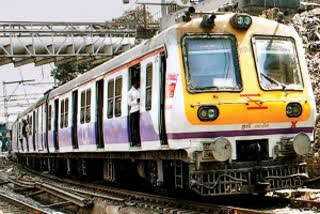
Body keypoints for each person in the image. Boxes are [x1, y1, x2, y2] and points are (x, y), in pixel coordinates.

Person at [128, 78, 141, 147]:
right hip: (134, 111)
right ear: (134, 83)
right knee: (134, 128)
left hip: (139, 110)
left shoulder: (139, 89)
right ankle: (135, 142)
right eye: (137, 82)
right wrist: (136, 101)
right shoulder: (130, 92)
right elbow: (129, 103)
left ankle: (139, 141)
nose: (138, 83)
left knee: (138, 127)